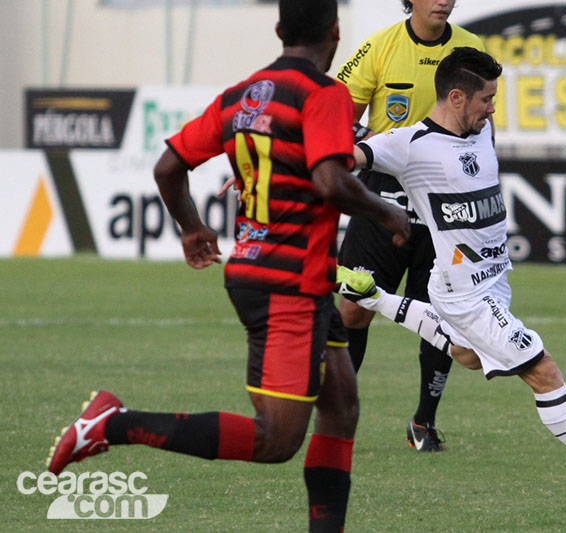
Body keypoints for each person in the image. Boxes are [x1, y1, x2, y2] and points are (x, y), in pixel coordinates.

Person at [45, 1, 411, 531]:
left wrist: (192, 228)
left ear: (280, 29)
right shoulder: (323, 94)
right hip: (289, 284)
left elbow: (169, 166)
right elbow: (332, 181)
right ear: (335, 31)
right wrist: (386, 213)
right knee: (276, 440)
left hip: (269, 273)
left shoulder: (242, 95)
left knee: (341, 406)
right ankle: (115, 424)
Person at [336, 46, 566, 486]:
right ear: (454, 98)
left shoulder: (482, 133)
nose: (491, 108)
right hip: (463, 294)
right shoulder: (407, 146)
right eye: (485, 99)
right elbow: (342, 161)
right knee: (542, 369)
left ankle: (376, 298)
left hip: (494, 283)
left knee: (467, 356)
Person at [336, 0, 486, 452]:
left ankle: (423, 423)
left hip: (445, 199)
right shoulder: (379, 48)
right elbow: (335, 114)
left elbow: (484, 130)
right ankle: (337, 414)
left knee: (440, 316)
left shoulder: (471, 48)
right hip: (383, 194)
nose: (443, 0)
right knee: (353, 307)